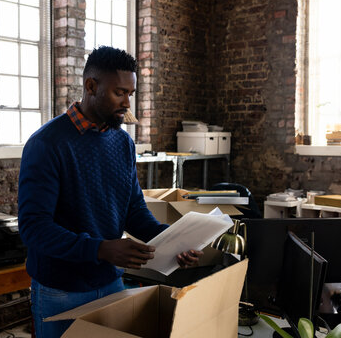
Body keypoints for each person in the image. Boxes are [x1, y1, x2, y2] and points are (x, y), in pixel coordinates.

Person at [18, 46, 203, 338]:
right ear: (91, 86)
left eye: (130, 93)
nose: (127, 103)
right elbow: (33, 228)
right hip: (61, 289)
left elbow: (133, 211)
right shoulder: (47, 144)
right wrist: (101, 249)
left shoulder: (122, 143)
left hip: (111, 281)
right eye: (120, 93)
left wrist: (173, 240)